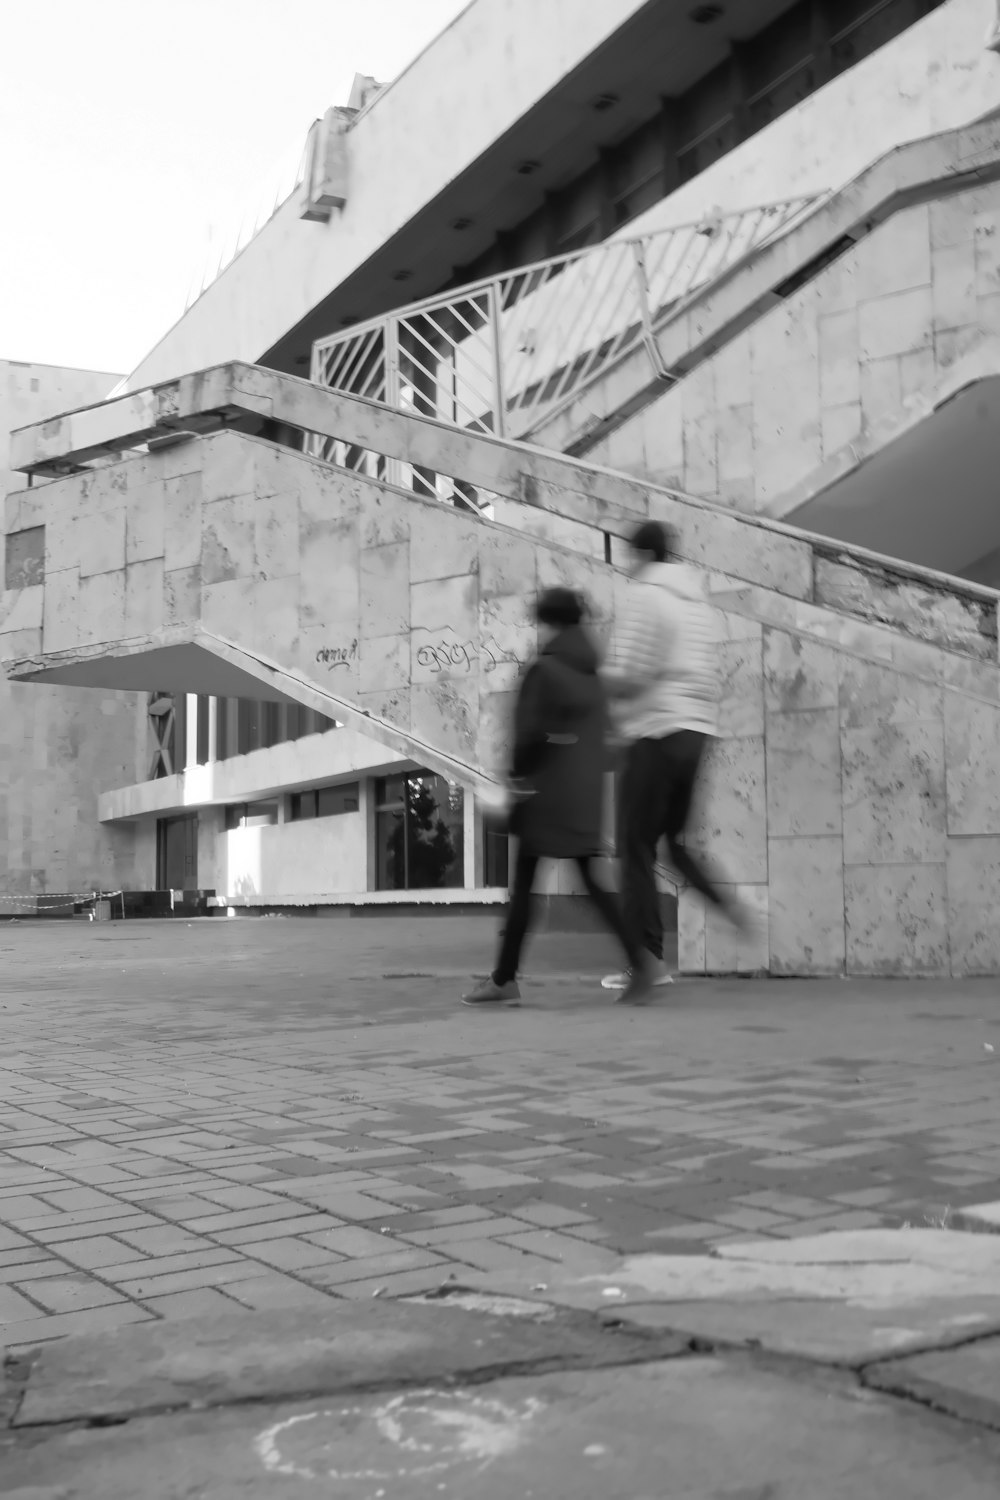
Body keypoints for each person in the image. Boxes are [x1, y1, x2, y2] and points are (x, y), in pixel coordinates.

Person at [462, 587, 651, 1008]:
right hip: (583, 792)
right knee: (592, 883)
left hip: (546, 793)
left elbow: (530, 735)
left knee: (525, 887)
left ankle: (504, 978)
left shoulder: (545, 670)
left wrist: (515, 779)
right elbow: (603, 739)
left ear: (548, 622)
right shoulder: (593, 674)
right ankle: (641, 963)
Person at [603, 520, 747, 997]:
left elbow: (636, 672)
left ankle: (646, 962)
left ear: (642, 554)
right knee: (674, 843)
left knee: (634, 847)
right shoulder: (695, 604)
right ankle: (730, 906)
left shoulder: (646, 595)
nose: (627, 564)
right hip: (696, 731)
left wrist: (603, 689)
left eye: (629, 555)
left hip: (657, 731)